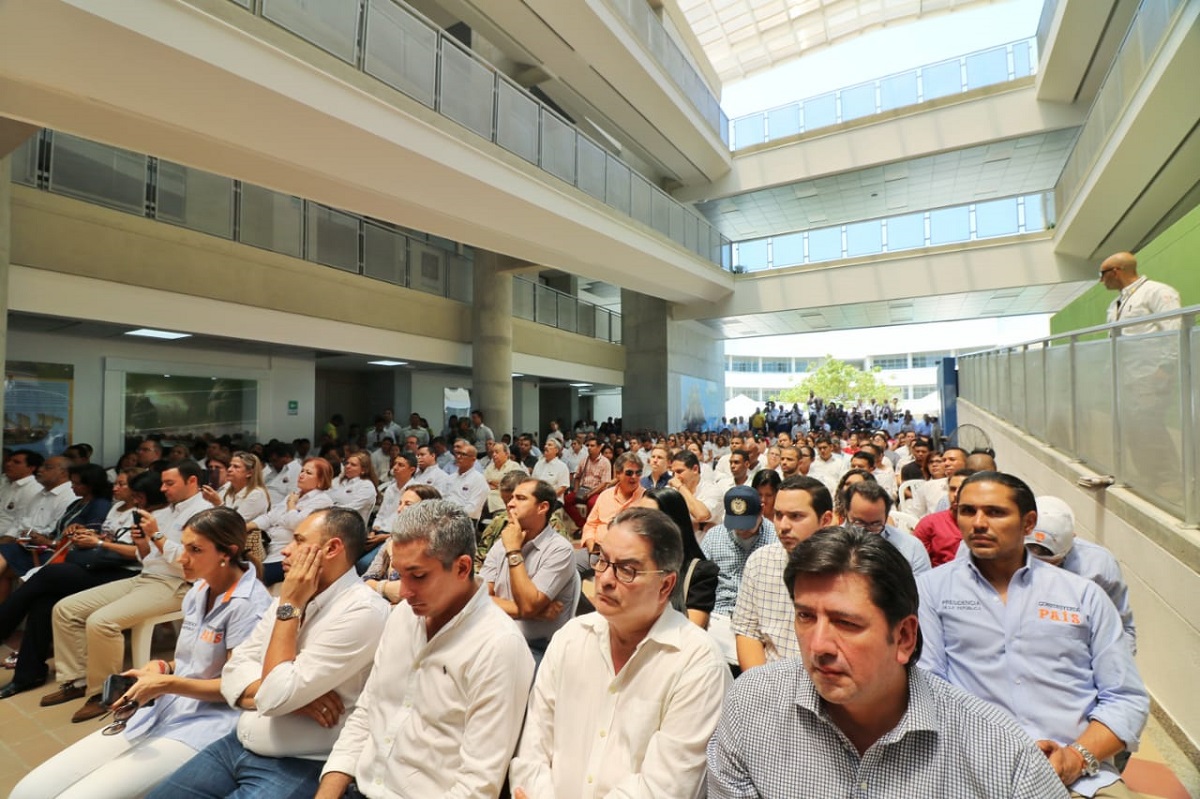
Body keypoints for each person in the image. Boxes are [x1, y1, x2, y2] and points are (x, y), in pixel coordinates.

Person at [708, 527, 1069, 799]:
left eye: (847, 623)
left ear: (905, 638)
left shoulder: (997, 752)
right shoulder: (752, 707)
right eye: (805, 617)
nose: (818, 646)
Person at [12, 507, 272, 799]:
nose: (181, 557)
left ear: (228, 552)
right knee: (28, 791)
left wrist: (167, 684)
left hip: (206, 724)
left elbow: (240, 687)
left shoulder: (249, 606)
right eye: (184, 546)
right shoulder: (200, 589)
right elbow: (197, 659)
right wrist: (163, 667)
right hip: (168, 707)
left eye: (195, 550)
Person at [918, 472, 1149, 798]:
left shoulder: (1083, 596)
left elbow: (1125, 698)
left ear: (1028, 523)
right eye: (967, 511)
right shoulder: (931, 591)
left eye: (995, 512)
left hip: (1076, 778)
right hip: (972, 774)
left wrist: (1074, 758)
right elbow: (928, 689)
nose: (979, 523)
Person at [148, 508, 390, 799]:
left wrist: (290, 606)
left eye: (299, 541)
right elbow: (233, 672)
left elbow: (275, 697)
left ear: (332, 548)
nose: (286, 551)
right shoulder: (290, 594)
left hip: (299, 762)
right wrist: (290, 699)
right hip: (236, 743)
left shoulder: (362, 611)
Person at [315, 500, 533, 798]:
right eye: (400, 575)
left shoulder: (499, 645)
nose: (403, 592)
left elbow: (477, 785)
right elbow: (368, 713)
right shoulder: (404, 615)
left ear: (462, 567)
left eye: (418, 576)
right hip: (359, 788)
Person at [509, 507, 730, 799]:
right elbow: (532, 752)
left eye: (627, 570)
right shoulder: (571, 638)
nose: (606, 579)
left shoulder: (697, 663)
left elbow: (665, 788)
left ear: (666, 585)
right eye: (602, 560)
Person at [49, 461, 212, 722]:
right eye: (163, 483)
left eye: (170, 483)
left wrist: (155, 534)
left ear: (192, 481)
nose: (163, 488)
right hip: (147, 576)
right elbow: (148, 556)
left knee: (102, 622)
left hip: (179, 585)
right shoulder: (167, 512)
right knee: (66, 609)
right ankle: (76, 679)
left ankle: (107, 693)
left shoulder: (206, 513)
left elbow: (188, 561)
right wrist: (142, 544)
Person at [0, 470, 157, 700]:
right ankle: (28, 674)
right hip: (97, 564)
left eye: (122, 485)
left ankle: (3, 628)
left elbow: (140, 554)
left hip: (123, 573)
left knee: (49, 575)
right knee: (44, 602)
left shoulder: (148, 516)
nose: (115, 487)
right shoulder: (116, 508)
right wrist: (86, 534)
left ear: (138, 493)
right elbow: (106, 536)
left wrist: (100, 542)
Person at [733, 476, 833, 671]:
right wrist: (762, 687)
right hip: (770, 679)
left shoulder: (847, 570)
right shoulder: (760, 561)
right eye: (778, 515)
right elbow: (747, 632)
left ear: (825, 520)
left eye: (796, 516)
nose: (783, 526)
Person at [481, 479, 577, 664]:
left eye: (520, 498)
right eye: (511, 498)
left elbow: (528, 605)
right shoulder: (503, 542)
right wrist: (530, 612)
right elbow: (479, 598)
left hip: (535, 648)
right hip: (494, 637)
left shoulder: (559, 550)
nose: (510, 503)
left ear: (542, 507)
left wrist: (514, 551)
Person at [1025, 495, 1137, 654]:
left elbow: (1122, 629)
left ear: (1072, 540)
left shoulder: (1099, 565)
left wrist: (1118, 669)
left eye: (1051, 562)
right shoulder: (1002, 556)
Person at [700, 485, 776, 664]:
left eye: (747, 524)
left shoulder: (775, 538)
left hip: (758, 619)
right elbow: (701, 581)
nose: (741, 530)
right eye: (736, 524)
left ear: (762, 511)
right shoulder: (714, 536)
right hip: (719, 615)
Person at [639, 487, 719, 629]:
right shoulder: (632, 563)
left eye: (651, 518)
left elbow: (692, 632)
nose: (641, 524)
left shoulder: (699, 573)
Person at [246, 457, 334, 585]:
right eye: (302, 471)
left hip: (287, 556)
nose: (302, 475)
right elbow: (270, 517)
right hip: (267, 550)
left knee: (252, 578)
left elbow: (297, 524)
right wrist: (246, 526)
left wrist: (291, 505)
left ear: (320, 481)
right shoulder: (294, 495)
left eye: (308, 473)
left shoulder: (322, 500)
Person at [363, 484, 442, 602]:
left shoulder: (436, 545)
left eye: (408, 505)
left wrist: (392, 556)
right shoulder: (392, 540)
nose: (399, 510)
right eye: (400, 503)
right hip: (381, 603)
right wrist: (384, 588)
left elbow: (405, 592)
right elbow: (367, 579)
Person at [842, 480, 931, 575]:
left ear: (886, 517)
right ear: (846, 512)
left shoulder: (911, 548)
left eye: (875, 524)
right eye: (859, 523)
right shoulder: (829, 544)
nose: (866, 531)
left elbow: (923, 587)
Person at [913, 468, 973, 567]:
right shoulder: (930, 523)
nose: (956, 495)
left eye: (963, 489)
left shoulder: (983, 524)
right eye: (952, 489)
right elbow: (916, 564)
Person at [443, 438, 490, 522]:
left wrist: (452, 514)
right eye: (458, 454)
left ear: (473, 459)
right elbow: (443, 498)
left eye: (463, 454)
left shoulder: (478, 479)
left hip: (466, 521)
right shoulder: (450, 478)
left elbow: (472, 509)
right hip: (445, 517)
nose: (458, 457)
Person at [329, 451, 378, 525]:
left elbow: (352, 509)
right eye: (347, 463)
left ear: (363, 470)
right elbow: (324, 496)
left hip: (351, 527)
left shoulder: (367, 486)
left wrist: (329, 509)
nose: (347, 466)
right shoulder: (337, 480)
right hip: (329, 521)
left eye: (353, 465)